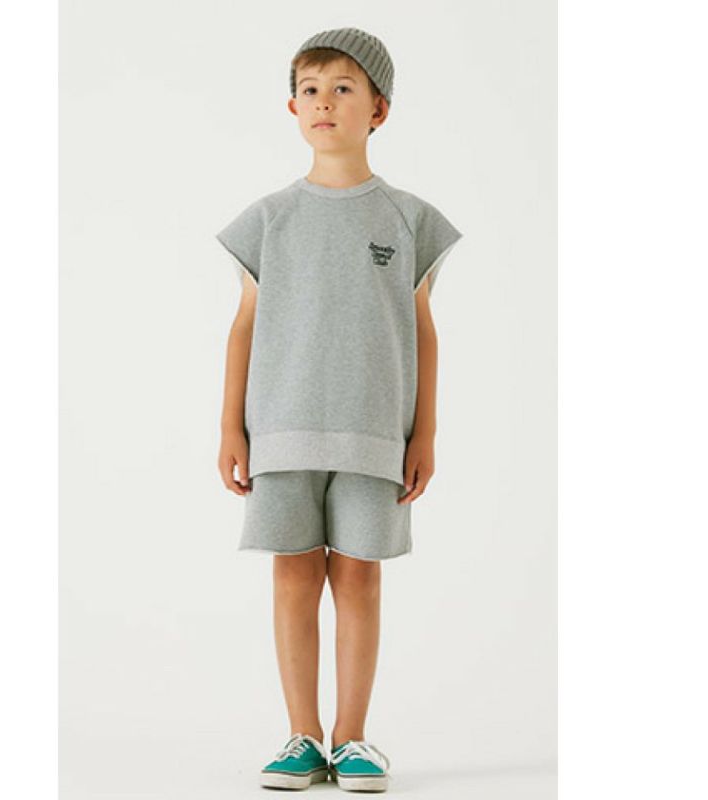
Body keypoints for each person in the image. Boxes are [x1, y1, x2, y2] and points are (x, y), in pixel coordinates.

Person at [215, 27, 463, 793]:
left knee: (358, 579)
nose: (324, 102)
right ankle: (302, 735)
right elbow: (244, 324)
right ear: (293, 108)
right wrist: (230, 426)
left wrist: (424, 431)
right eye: (311, 89)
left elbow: (422, 329)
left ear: (379, 109)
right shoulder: (267, 218)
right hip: (281, 429)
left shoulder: (409, 219)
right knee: (293, 578)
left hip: (373, 433)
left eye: (343, 88)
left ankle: (352, 740)